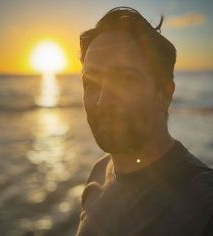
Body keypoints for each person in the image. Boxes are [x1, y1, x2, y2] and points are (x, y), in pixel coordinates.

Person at [76, 7, 213, 236]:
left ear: (165, 94)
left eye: (125, 79)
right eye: (91, 83)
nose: (102, 101)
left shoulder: (203, 206)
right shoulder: (99, 172)